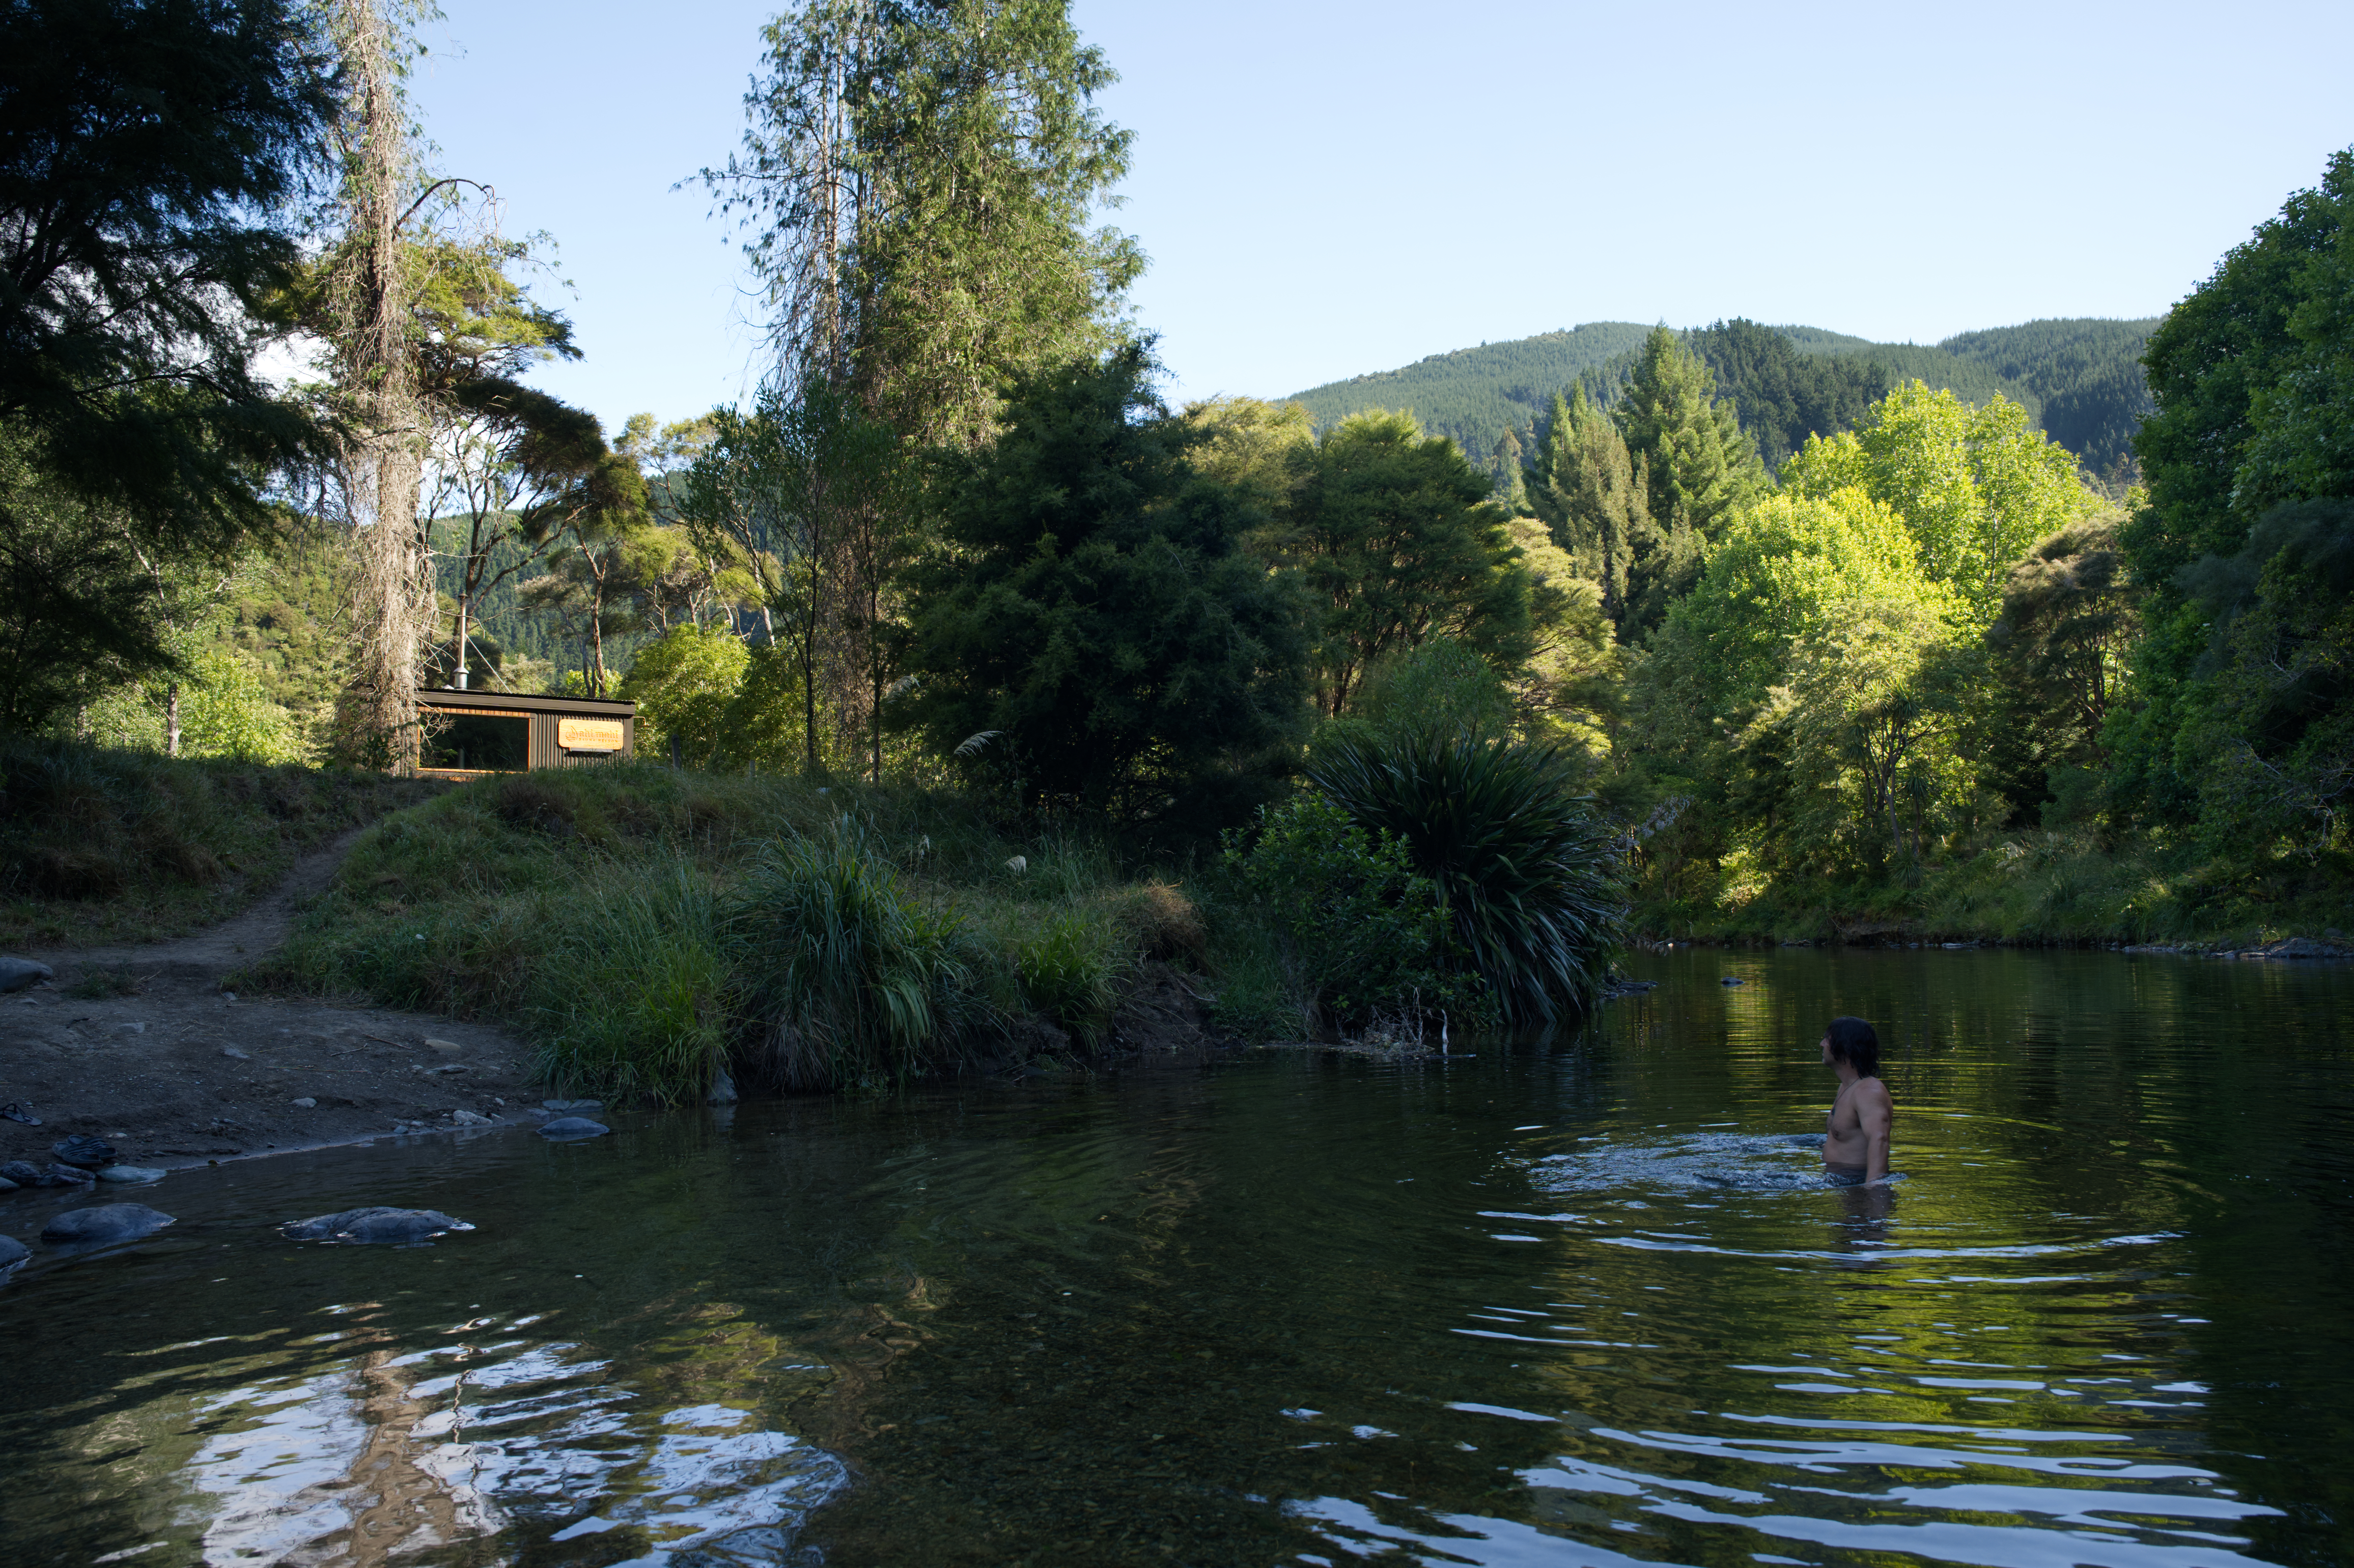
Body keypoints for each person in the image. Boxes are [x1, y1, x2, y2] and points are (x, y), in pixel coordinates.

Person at [1819, 1016, 1891, 1186]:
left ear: (1844, 1046)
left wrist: (1874, 1190)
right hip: (1837, 1179)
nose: (1822, 1044)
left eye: (1827, 1040)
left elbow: (1879, 1140)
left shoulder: (1868, 1091)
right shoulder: (1847, 1087)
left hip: (1855, 1182)